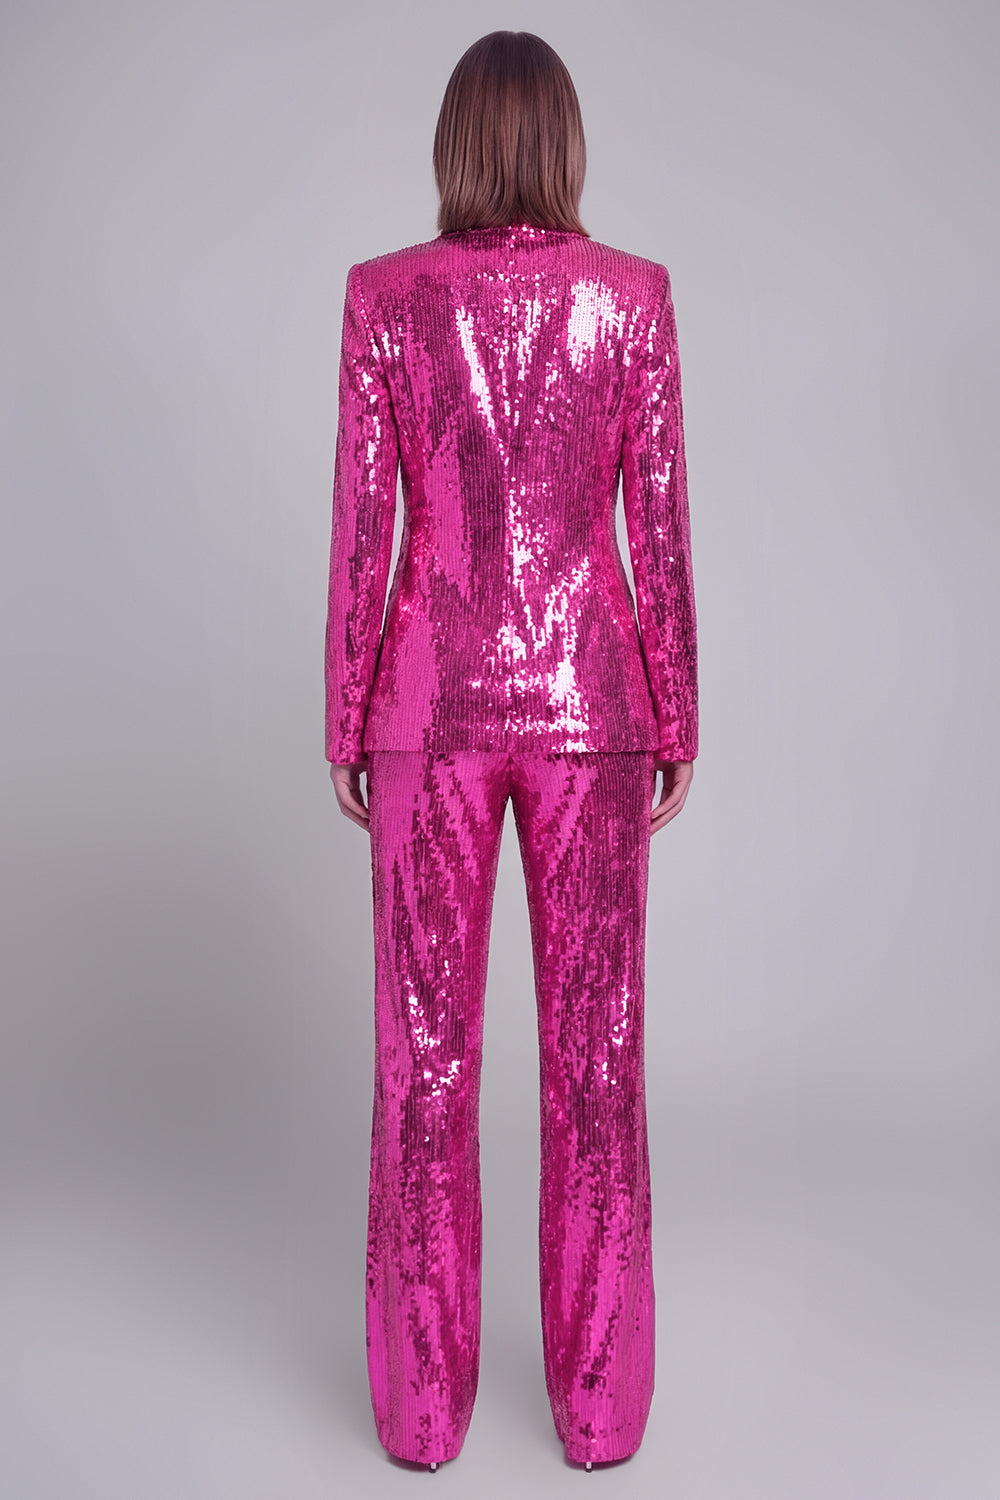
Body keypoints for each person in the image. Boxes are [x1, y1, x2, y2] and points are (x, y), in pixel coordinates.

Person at [324, 30, 698, 1473]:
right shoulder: (632, 299)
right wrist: (677, 710)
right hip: (595, 704)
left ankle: (421, 1418)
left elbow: (366, 526)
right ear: (564, 142)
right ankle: (601, 1416)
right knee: (598, 1062)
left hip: (427, 706)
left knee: (424, 1063)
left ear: (455, 145)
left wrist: (347, 710)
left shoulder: (386, 300)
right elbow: (655, 523)